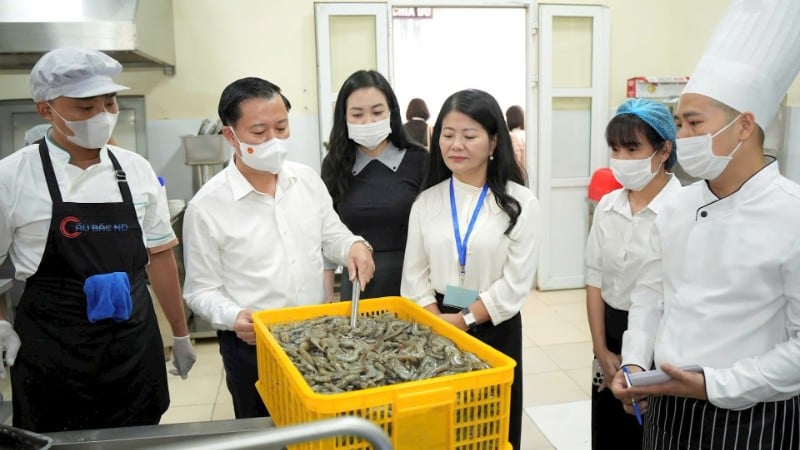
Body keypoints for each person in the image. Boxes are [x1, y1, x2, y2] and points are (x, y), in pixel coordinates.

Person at [610, 1, 800, 448]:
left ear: (743, 126)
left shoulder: (790, 213)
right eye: (678, 124)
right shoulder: (678, 204)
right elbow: (651, 292)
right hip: (664, 405)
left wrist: (715, 385)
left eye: (694, 123)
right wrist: (635, 363)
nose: (683, 138)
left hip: (752, 419)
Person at [0, 47, 195, 433]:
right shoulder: (12, 176)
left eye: (109, 103)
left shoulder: (136, 169)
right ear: (46, 110)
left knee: (139, 436)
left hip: (132, 344)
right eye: (84, 107)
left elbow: (159, 257)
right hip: (54, 349)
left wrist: (180, 332)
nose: (101, 116)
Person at [182, 77, 375, 419]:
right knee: (265, 430)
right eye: (259, 132)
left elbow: (331, 236)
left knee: (321, 430)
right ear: (231, 136)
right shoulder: (207, 207)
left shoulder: (306, 180)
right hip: (254, 348)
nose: (273, 140)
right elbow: (201, 290)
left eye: (281, 127)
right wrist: (233, 316)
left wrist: (354, 245)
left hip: (318, 337)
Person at [401, 89, 540, 450]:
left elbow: (515, 284)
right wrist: (437, 323)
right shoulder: (426, 202)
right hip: (436, 325)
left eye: (469, 135)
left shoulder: (520, 202)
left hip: (494, 324)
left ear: (494, 141)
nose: (455, 144)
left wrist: (463, 321)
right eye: (447, 135)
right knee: (444, 429)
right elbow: (414, 278)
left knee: (492, 425)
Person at [585, 98, 681, 450]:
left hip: (661, 335)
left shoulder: (682, 210)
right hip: (609, 329)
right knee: (607, 428)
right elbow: (594, 278)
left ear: (663, 150)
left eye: (632, 148)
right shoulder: (608, 206)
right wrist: (600, 348)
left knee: (649, 432)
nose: (621, 158)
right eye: (615, 149)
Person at [321, 70, 427, 301]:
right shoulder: (334, 165)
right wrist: (327, 296)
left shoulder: (419, 160)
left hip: (415, 288)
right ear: (344, 118)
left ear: (392, 112)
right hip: (358, 286)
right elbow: (327, 235)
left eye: (377, 112)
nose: (368, 121)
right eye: (357, 114)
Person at [505, 105, 526, 179]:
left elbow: (515, 160)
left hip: (518, 177)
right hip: (526, 175)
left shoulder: (514, 136)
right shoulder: (525, 134)